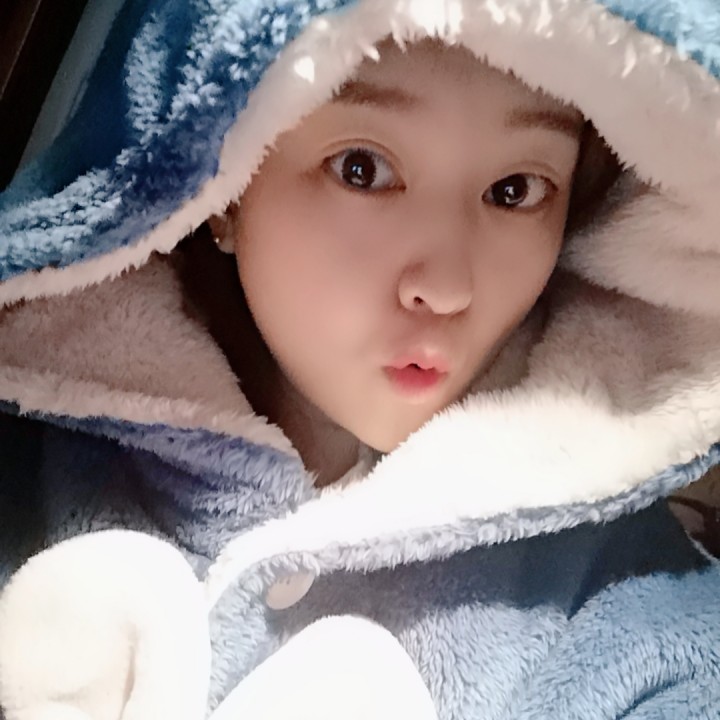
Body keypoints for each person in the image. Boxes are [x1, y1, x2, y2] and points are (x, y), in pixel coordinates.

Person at [0, 1, 719, 719]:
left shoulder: (639, 612)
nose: (446, 287)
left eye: (515, 191)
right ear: (225, 183)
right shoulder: (28, 462)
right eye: (362, 168)